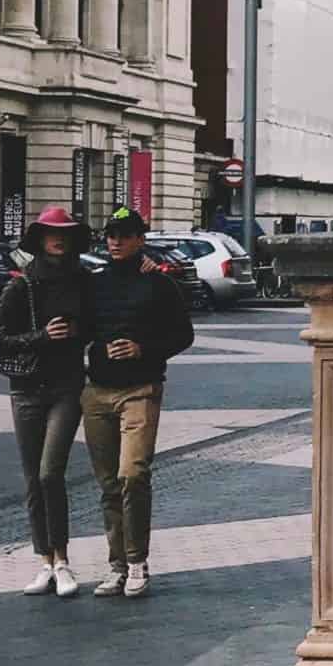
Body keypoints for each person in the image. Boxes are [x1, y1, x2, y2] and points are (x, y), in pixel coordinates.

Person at [81, 205, 194, 599]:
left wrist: (142, 348)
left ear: (140, 240)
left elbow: (183, 335)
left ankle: (137, 561)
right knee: (109, 483)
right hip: (96, 392)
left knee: (133, 474)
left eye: (125, 235)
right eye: (111, 235)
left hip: (140, 389)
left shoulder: (159, 285)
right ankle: (116, 565)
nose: (115, 241)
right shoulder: (94, 283)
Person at [0, 205, 95, 598]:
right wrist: (42, 337)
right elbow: (1, 339)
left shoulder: (84, 281)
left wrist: (77, 332)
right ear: (38, 240)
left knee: (51, 473)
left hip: (67, 387)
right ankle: (45, 563)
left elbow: (97, 324)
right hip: (26, 389)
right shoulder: (22, 285)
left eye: (65, 234)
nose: (58, 239)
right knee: (33, 479)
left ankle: (64, 560)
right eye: (51, 233)